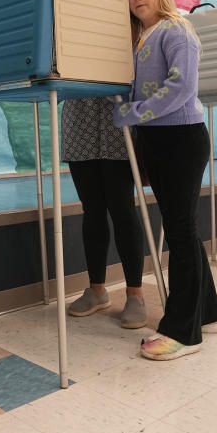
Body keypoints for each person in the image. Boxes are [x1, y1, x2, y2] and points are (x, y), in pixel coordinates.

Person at [112, 0, 217, 361]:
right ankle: (206, 314)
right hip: (158, 139)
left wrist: (133, 113)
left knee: (179, 231)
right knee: (183, 230)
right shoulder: (142, 36)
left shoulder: (177, 30)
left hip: (181, 139)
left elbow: (181, 88)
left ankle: (182, 331)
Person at [62, 97, 147, 328]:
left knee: (123, 209)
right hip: (80, 127)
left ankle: (135, 295)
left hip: (118, 127)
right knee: (92, 210)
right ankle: (96, 290)